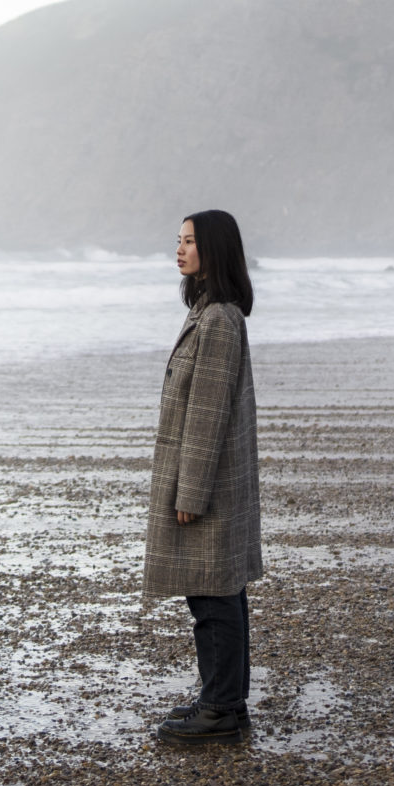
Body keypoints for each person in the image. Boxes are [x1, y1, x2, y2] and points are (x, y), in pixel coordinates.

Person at [144, 209, 262, 745]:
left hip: (208, 485)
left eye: (189, 241)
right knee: (220, 590)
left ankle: (219, 710)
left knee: (211, 596)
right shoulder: (214, 312)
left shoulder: (217, 319)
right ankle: (226, 703)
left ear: (213, 250)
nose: (179, 249)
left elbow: (208, 414)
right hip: (216, 481)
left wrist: (188, 492)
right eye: (178, 240)